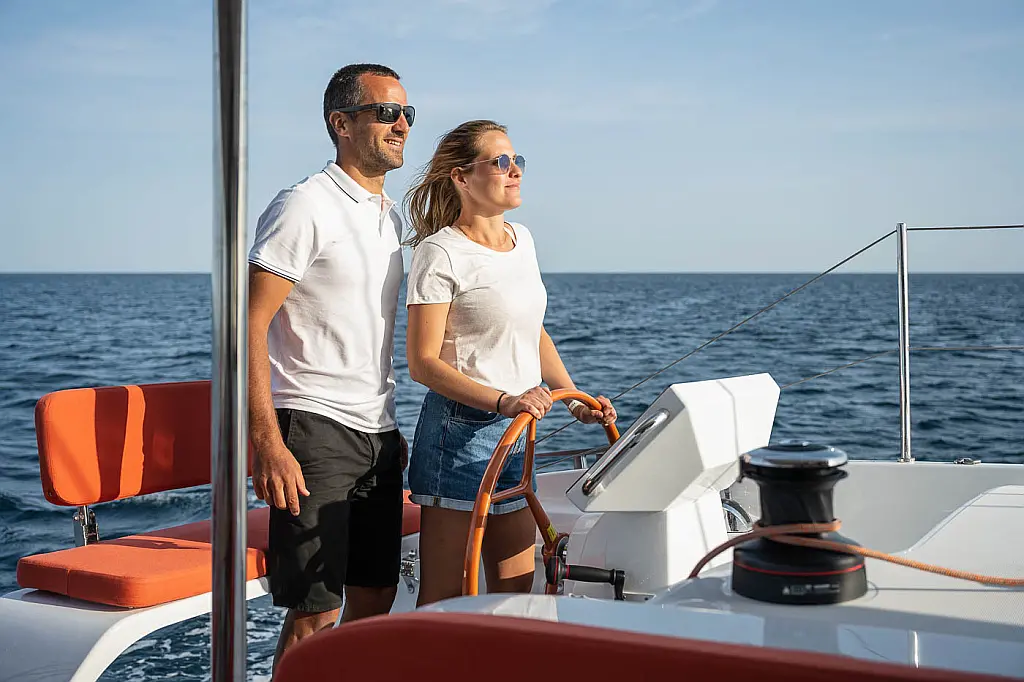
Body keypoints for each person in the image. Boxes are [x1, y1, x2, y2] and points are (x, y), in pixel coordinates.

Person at [403, 119, 618, 607]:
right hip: (459, 436)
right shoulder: (439, 253)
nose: (515, 170)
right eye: (500, 162)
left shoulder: (523, 240)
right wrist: (505, 401)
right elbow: (422, 363)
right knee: (445, 599)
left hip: (518, 434)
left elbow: (531, 331)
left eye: (516, 160)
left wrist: (575, 401)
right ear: (461, 177)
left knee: (516, 590)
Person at [246, 63, 413, 670]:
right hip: (314, 430)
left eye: (407, 113)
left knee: (377, 595)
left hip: (378, 433)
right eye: (386, 113)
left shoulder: (391, 217)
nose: (402, 125)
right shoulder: (304, 205)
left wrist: (390, 432)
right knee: (314, 612)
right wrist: (267, 442)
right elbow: (246, 326)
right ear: (341, 123)